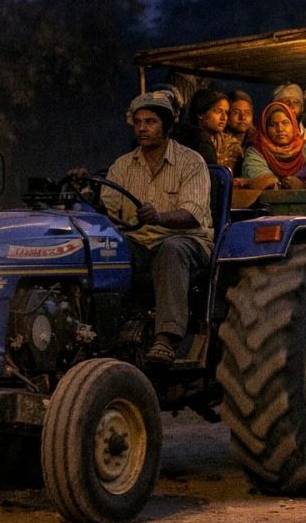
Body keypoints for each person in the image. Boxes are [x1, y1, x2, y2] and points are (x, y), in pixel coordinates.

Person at [102, 91, 212, 364]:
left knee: (171, 250)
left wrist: (160, 217)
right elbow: (109, 211)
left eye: (150, 121)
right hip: (139, 241)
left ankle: (167, 337)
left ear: (167, 126)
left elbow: (192, 214)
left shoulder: (191, 162)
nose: (142, 128)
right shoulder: (122, 166)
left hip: (187, 240)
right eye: (138, 122)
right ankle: (104, 333)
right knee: (105, 250)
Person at [240, 101, 306, 190]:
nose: (280, 129)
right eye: (272, 125)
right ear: (264, 128)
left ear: (294, 125)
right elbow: (262, 181)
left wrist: (302, 185)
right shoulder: (256, 151)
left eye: (285, 123)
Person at [190, 88, 243, 172]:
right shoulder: (185, 141)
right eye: (218, 111)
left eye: (226, 112)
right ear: (201, 114)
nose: (224, 118)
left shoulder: (231, 146)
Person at [272, 82, 306, 150]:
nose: (291, 106)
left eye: (296, 102)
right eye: (286, 102)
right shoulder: (269, 137)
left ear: (302, 108)